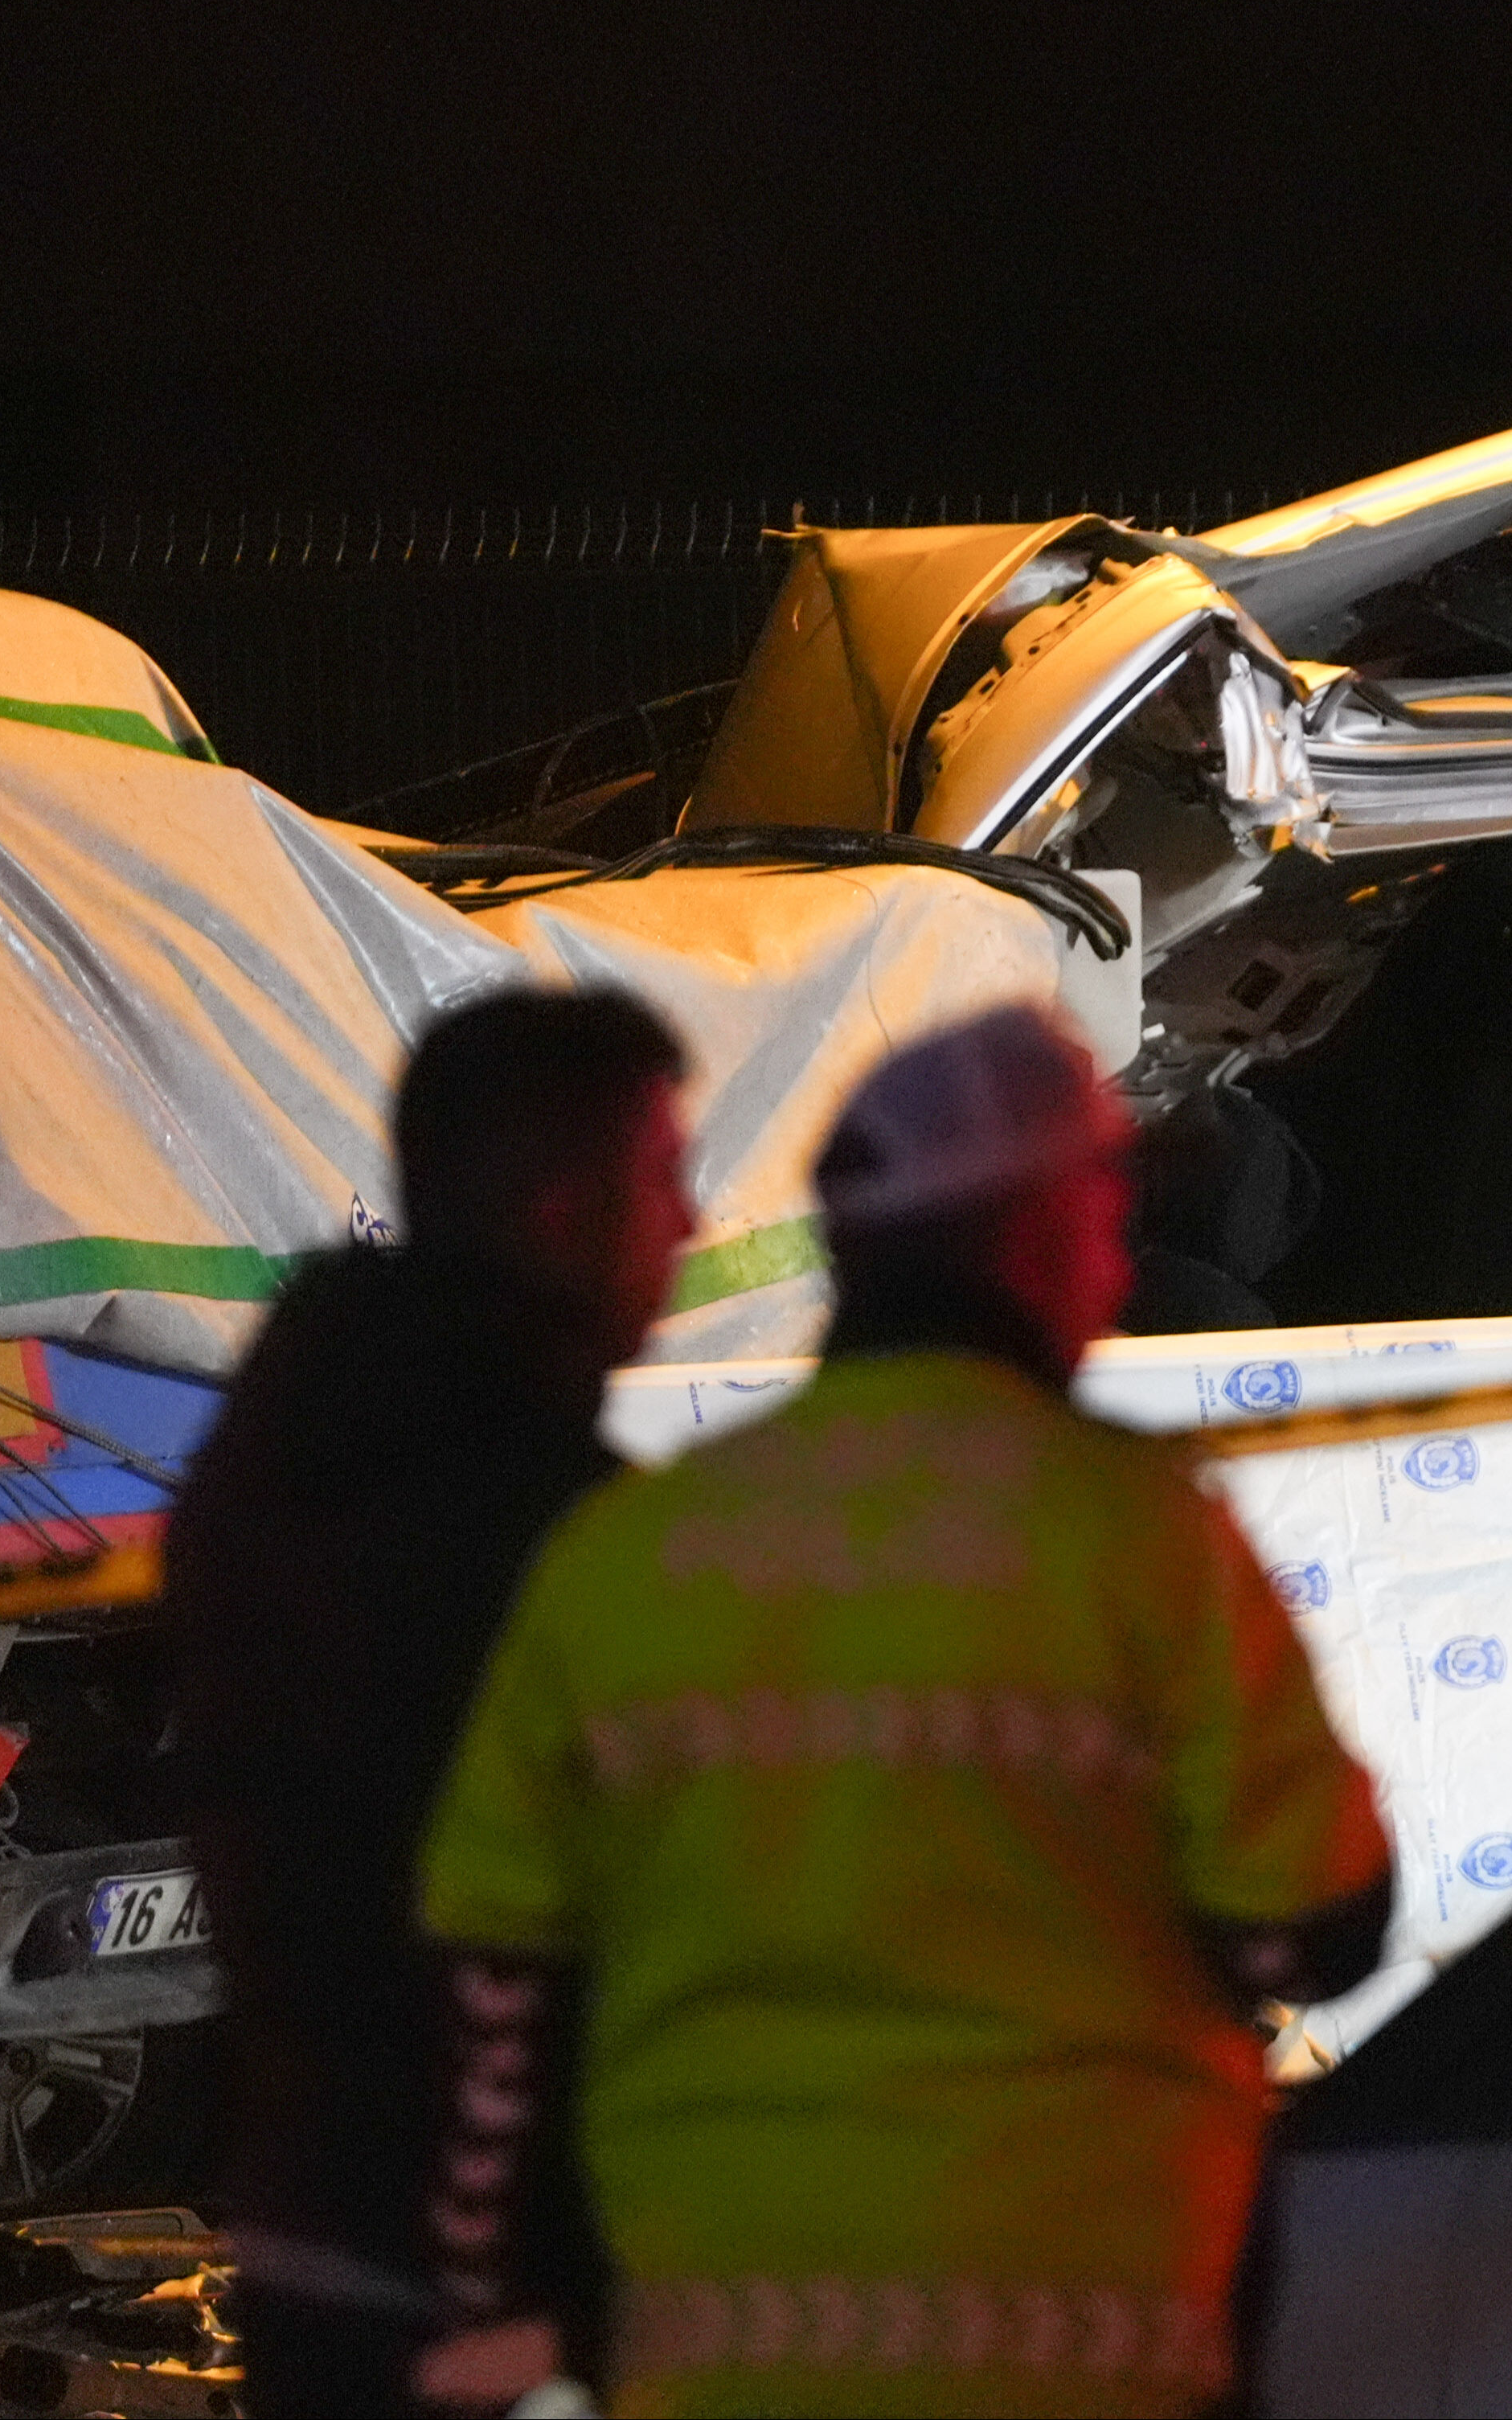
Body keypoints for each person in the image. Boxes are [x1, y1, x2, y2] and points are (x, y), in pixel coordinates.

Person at [408, 1001, 1394, 2419]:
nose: (1118, 1259)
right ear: (1042, 1238)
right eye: (1104, 1217)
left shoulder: (628, 1553)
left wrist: (525, 2299)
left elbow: (492, 1978)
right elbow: (1323, 1919)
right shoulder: (1142, 1541)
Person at [166, 986, 699, 2418]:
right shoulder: (515, 1520)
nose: (694, 1225)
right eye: (663, 1175)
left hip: (334, 2223)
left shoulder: (317, 1434)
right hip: (470, 2286)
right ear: (551, 1207)